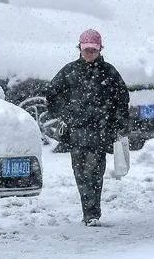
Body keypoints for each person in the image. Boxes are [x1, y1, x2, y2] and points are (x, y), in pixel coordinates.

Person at [44, 29, 130, 227]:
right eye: (86, 50)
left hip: (100, 132)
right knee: (81, 172)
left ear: (100, 50)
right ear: (80, 49)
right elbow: (51, 94)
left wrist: (117, 122)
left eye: (93, 50)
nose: (90, 53)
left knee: (95, 172)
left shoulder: (109, 72)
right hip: (77, 133)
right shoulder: (69, 71)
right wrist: (66, 113)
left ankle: (92, 212)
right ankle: (89, 211)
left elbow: (122, 99)